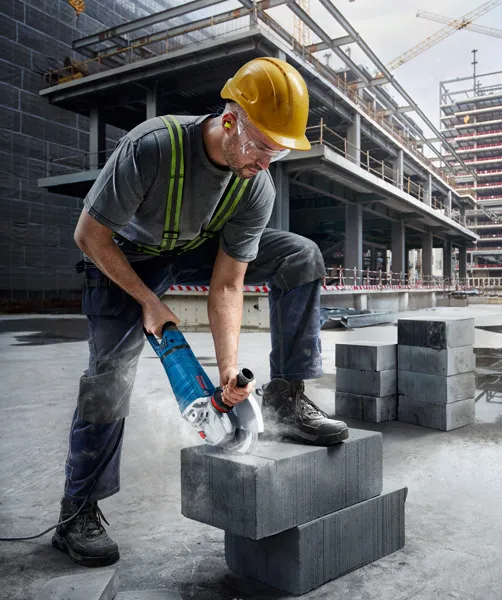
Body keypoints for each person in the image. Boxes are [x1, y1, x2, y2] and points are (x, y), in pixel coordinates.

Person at [52, 57, 348, 568]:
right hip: (121, 254)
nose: (265, 162)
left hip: (192, 248)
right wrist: (147, 300)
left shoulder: (257, 183)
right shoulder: (152, 148)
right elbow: (89, 235)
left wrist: (229, 371)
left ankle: (288, 400)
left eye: (277, 152)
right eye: (261, 146)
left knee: (300, 255)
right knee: (108, 375)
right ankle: (78, 510)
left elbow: (229, 283)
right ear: (229, 121)